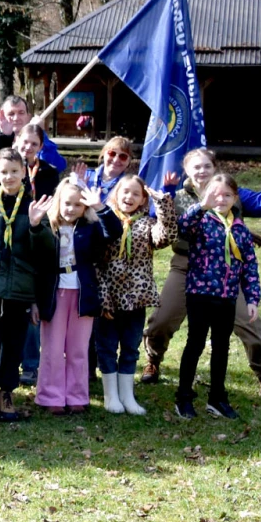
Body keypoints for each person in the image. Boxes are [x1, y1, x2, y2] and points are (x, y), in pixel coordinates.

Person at [142, 147, 261, 400]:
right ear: (188, 172)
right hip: (186, 265)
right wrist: (167, 194)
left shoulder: (231, 193)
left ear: (215, 168)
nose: (202, 171)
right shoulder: (180, 197)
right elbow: (159, 217)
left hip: (224, 270)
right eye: (196, 167)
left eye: (207, 166)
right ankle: (153, 360)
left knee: (250, 324)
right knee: (162, 319)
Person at [174, 173, 261, 420]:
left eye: (226, 195)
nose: (220, 199)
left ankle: (217, 398)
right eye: (215, 194)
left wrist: (252, 298)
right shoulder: (200, 220)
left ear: (235, 198)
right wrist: (202, 206)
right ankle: (183, 397)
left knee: (221, 346)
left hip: (227, 297)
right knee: (195, 343)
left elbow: (250, 266)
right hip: (200, 294)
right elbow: (182, 227)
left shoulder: (241, 229)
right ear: (205, 196)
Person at [0, 149, 54, 421]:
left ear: (24, 172)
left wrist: (35, 226)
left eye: (14, 171)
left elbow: (45, 255)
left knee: (14, 343)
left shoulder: (34, 207)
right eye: (3, 172)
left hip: (20, 289)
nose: (9, 177)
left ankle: (7, 391)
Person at [34, 179, 122, 415]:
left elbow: (114, 231)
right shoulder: (46, 226)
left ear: (85, 208)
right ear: (58, 202)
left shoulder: (90, 228)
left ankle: (76, 395)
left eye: (77, 205)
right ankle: (50, 396)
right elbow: (35, 258)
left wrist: (101, 207)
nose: (71, 209)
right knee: (52, 348)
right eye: (67, 203)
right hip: (54, 293)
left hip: (83, 294)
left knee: (78, 349)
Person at [95, 175, 175, 415]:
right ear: (116, 195)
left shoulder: (147, 225)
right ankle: (111, 396)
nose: (129, 197)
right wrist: (103, 298)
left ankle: (127, 395)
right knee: (107, 346)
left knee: (130, 346)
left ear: (142, 200)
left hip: (136, 299)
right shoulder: (104, 221)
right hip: (108, 297)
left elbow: (167, 236)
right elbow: (95, 262)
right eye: (124, 192)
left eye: (135, 194)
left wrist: (163, 206)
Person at [0, 95, 67, 185]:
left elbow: (58, 167)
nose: (16, 118)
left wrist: (40, 134)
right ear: (1, 117)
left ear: (28, 116)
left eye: (21, 113)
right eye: (11, 114)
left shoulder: (39, 146)